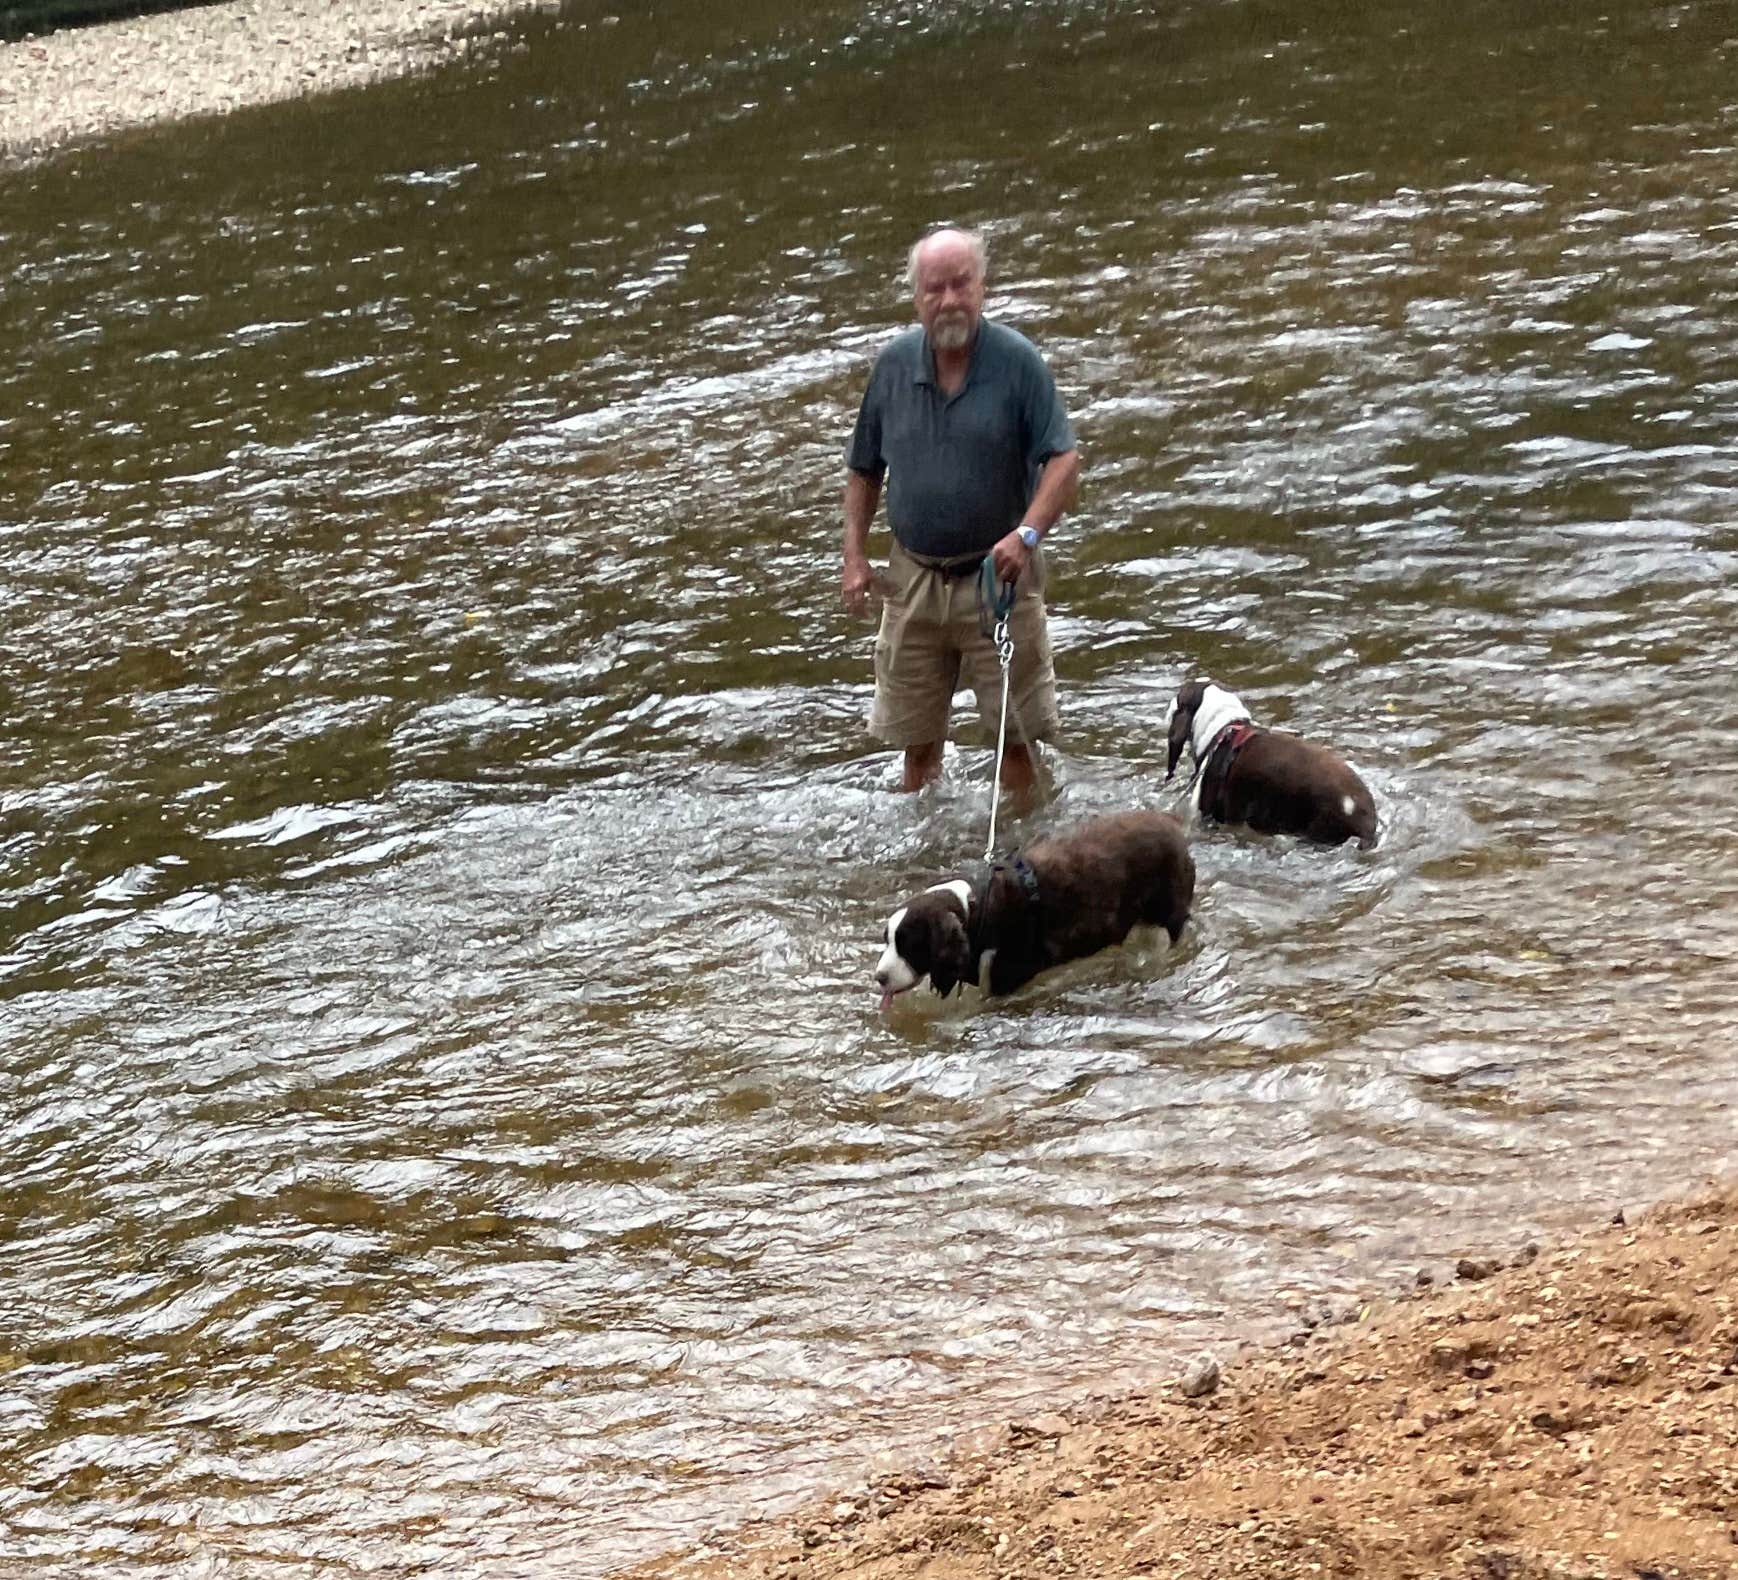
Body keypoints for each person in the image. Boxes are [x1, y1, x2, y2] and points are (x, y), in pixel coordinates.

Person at [842, 226, 1080, 796]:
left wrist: (1026, 535)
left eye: (960, 284)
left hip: (1001, 580)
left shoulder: (1018, 363)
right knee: (916, 751)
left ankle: (1022, 865)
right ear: (917, 297)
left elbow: (1065, 461)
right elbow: (863, 469)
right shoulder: (894, 367)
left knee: (1015, 745)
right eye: (934, 288)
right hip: (914, 585)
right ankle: (925, 864)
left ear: (982, 287)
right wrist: (854, 556)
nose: (949, 299)